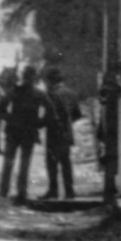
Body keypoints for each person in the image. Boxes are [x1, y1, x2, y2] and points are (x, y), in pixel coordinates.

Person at [0, 65, 53, 202]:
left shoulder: (14, 91)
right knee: (24, 163)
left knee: (9, 162)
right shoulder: (39, 94)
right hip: (28, 132)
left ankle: (4, 192)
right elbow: (51, 112)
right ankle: (21, 193)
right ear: (34, 78)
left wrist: (9, 118)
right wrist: (39, 123)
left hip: (14, 131)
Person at [41, 67, 77, 200]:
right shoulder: (71, 93)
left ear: (51, 81)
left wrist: (39, 123)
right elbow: (77, 114)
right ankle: (69, 191)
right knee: (66, 162)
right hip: (67, 133)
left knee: (52, 163)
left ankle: (53, 190)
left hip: (54, 133)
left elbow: (49, 115)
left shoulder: (51, 94)